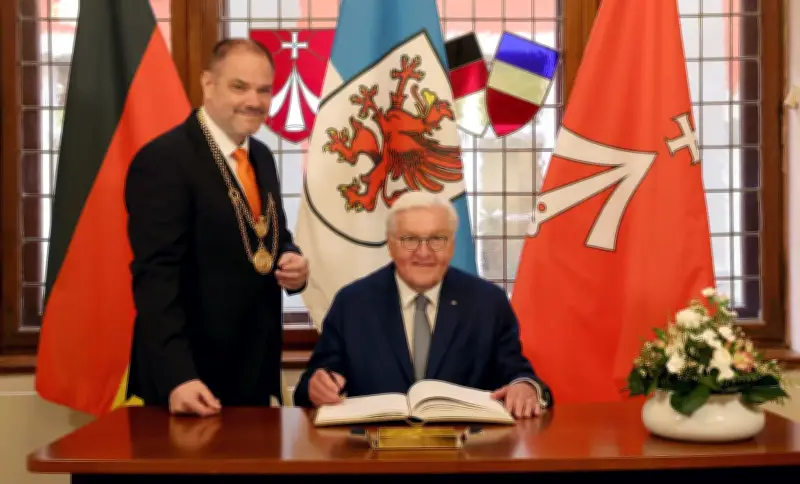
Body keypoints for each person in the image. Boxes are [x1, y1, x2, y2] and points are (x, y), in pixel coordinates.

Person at [124, 39, 309, 417]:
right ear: (208, 84)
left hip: (254, 373)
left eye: (264, 90)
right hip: (192, 381)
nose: (254, 101)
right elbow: (156, 279)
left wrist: (292, 261)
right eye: (239, 87)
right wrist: (178, 377)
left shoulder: (260, 156)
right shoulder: (164, 160)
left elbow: (268, 235)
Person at [293, 192, 552, 418]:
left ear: (452, 244)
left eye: (437, 239)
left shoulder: (487, 303)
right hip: (374, 451)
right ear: (390, 244)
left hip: (466, 451)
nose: (424, 252)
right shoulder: (352, 304)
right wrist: (317, 387)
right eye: (410, 239)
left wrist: (525, 386)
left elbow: (517, 372)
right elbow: (310, 386)